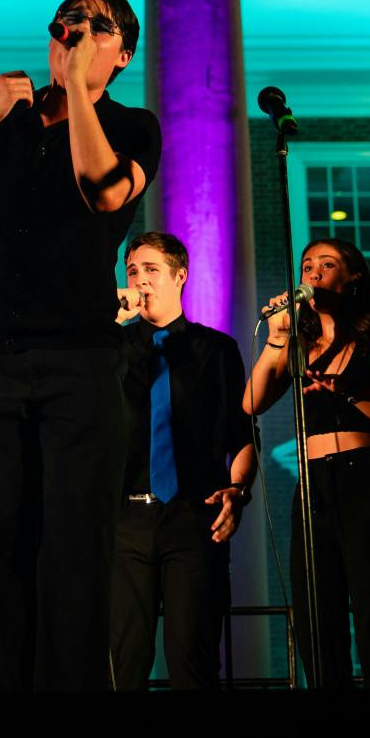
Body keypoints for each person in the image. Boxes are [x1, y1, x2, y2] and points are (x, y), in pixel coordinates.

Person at [0, 0, 160, 691]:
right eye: (65, 25)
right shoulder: (7, 125)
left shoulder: (134, 124)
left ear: (123, 52)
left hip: (79, 363)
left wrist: (78, 91)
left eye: (96, 27)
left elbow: (103, 189)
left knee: (75, 556)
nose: (75, 35)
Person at [244, 238, 370, 688]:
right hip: (312, 483)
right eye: (306, 265)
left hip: (364, 476)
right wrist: (277, 340)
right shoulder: (297, 342)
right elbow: (252, 402)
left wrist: (347, 392)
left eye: (327, 264)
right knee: (316, 613)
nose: (313, 273)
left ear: (352, 277)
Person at [108, 232, 256, 690]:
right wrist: (109, 330)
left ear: (180, 276)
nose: (141, 280)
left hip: (194, 516)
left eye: (152, 270)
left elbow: (242, 435)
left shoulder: (216, 349)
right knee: (122, 659)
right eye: (133, 271)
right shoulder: (109, 348)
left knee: (191, 657)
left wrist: (239, 491)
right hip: (123, 519)